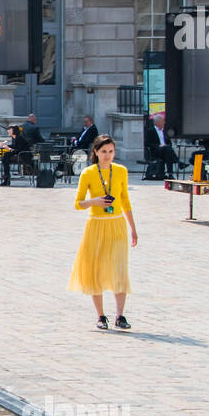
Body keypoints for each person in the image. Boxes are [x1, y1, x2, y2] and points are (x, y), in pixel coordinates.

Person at [68, 134, 138, 330]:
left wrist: (133, 228)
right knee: (96, 270)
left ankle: (120, 315)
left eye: (111, 152)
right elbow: (78, 203)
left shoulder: (121, 171)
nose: (108, 155)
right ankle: (101, 315)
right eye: (104, 152)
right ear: (96, 152)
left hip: (117, 224)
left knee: (119, 270)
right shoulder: (88, 173)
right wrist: (95, 201)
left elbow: (125, 201)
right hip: (96, 224)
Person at [143, 112, 182, 178]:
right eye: (162, 121)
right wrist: (158, 146)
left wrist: (166, 146)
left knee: (168, 151)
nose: (164, 122)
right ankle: (178, 163)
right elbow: (147, 143)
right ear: (157, 123)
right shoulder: (150, 131)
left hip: (165, 151)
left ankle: (170, 174)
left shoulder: (165, 131)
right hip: (155, 151)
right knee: (168, 149)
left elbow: (169, 143)